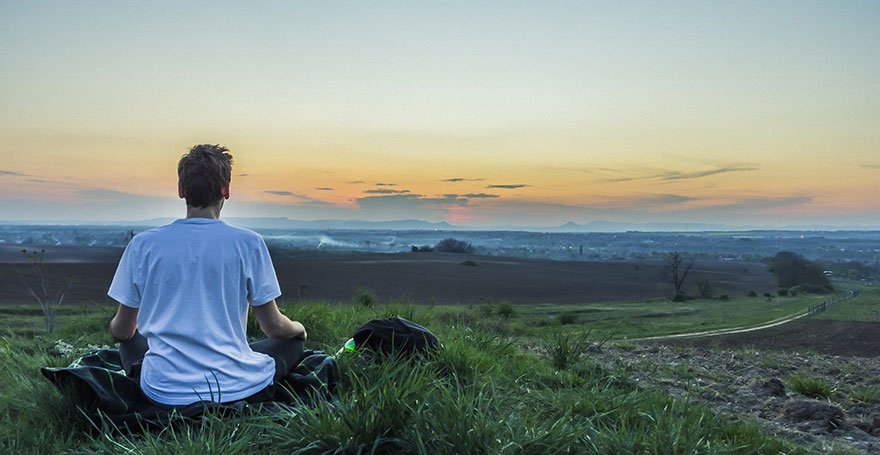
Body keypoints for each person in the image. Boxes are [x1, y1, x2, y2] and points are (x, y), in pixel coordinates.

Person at [107, 144, 307, 406]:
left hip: (163, 391)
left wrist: (131, 332)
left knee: (131, 341)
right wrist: (299, 329)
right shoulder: (249, 243)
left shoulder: (143, 245)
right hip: (236, 387)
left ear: (181, 190)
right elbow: (274, 328)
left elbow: (121, 331)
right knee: (291, 344)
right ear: (226, 189)